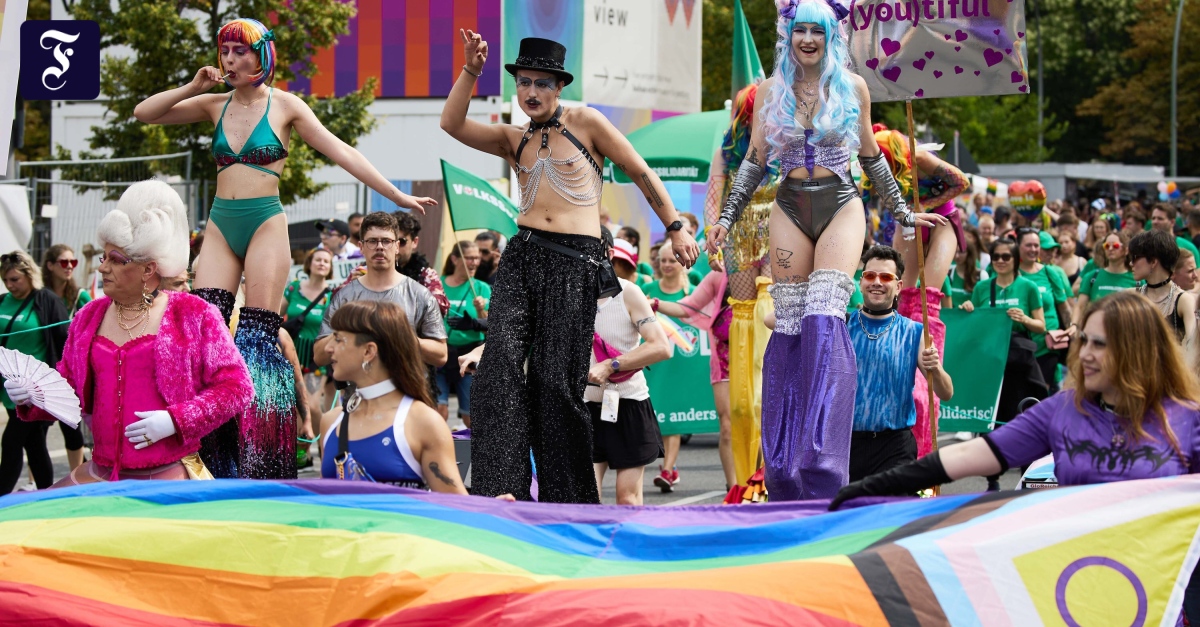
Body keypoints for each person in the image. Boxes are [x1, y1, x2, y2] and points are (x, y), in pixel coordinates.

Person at [134, 17, 435, 479]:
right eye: (225, 52)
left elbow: (343, 152)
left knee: (256, 339)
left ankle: (264, 459)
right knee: (207, 332)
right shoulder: (213, 103)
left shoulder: (286, 106)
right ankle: (209, 456)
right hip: (219, 222)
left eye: (240, 51)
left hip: (263, 223)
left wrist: (397, 197)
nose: (230, 60)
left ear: (262, 56)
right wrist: (191, 85)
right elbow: (145, 113)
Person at [440, 32, 698, 503]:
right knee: (498, 369)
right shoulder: (512, 137)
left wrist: (676, 226)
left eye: (541, 83)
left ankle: (569, 498)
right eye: (523, 83)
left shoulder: (586, 122)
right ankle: (502, 489)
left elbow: (640, 171)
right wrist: (471, 71)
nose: (531, 93)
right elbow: (452, 124)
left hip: (574, 265)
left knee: (555, 384)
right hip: (522, 257)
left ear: (559, 88)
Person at [707, 0, 944, 501]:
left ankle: (824, 457)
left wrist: (902, 214)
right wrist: (724, 220)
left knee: (824, 317)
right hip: (789, 204)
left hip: (840, 202)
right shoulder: (768, 92)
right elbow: (753, 161)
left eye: (817, 31)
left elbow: (871, 158)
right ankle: (786, 464)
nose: (808, 39)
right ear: (787, 36)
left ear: (830, 37)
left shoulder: (853, 88)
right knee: (789, 327)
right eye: (800, 31)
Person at [832, 291, 1200, 517]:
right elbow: (967, 457)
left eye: (1099, 345)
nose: (1084, 354)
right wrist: (863, 488)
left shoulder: (1188, 420)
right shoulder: (1063, 410)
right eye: (1083, 340)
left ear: (1138, 352)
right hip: (1079, 579)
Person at [4, 180, 253, 486]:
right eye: (103, 257)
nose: (102, 268)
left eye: (116, 260)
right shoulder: (88, 317)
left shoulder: (194, 315)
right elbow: (69, 386)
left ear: (148, 269)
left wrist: (175, 420)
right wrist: (33, 396)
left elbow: (236, 388)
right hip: (99, 474)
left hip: (167, 477)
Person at [318, 301, 467, 494]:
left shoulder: (423, 423)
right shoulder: (331, 421)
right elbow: (319, 502)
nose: (328, 348)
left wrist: (495, 510)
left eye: (338, 339)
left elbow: (456, 505)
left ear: (368, 351)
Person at [707, 83, 777, 488]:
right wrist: (712, 234)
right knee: (744, 313)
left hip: (781, 231)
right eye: (754, 113)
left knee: (774, 310)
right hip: (739, 235)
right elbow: (714, 199)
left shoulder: (785, 141)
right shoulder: (728, 149)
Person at [847, 246, 952, 481]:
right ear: (861, 282)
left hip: (895, 447)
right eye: (870, 276)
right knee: (850, 516)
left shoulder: (914, 332)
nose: (877, 282)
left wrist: (935, 367)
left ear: (898, 286)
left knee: (890, 514)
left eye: (885, 277)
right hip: (846, 445)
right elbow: (772, 321)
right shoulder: (841, 325)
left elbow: (946, 393)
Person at [588, 230, 672, 505]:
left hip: (628, 403)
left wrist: (611, 365)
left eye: (591, 250)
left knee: (627, 498)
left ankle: (629, 548)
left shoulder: (629, 293)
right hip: (584, 405)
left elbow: (661, 346)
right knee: (585, 497)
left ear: (609, 254)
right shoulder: (565, 296)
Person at [313, 212, 447, 370]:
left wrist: (404, 337)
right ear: (361, 247)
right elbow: (319, 356)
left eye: (386, 241)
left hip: (407, 390)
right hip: (358, 391)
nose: (380, 247)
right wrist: (348, 332)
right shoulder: (345, 296)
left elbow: (441, 355)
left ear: (396, 246)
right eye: (372, 241)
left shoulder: (420, 294)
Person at [959, 238, 1048, 435]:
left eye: (1006, 256)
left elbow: (1041, 326)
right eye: (995, 256)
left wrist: (1024, 319)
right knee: (992, 417)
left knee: (1021, 412)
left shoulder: (1028, 287)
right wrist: (968, 309)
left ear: (1015, 259)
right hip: (990, 362)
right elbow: (974, 327)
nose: (1000, 260)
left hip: (1018, 362)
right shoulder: (983, 288)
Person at [0, 251, 70, 492]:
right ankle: (46, 495)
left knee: (10, 442)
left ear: (30, 276)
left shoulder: (46, 300)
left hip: (36, 389)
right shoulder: (2, 300)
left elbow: (65, 341)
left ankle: (2, 498)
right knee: (34, 445)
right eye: (6, 280)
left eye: (15, 279)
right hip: (8, 388)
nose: (10, 285)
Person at [640, 243, 695, 492]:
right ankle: (669, 468)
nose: (666, 265)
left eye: (671, 260)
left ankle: (667, 469)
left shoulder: (692, 293)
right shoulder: (646, 291)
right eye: (662, 261)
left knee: (673, 415)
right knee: (657, 416)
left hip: (683, 366)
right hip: (654, 365)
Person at [38, 244, 90, 470]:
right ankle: (32, 482)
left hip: (72, 370)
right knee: (38, 430)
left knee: (71, 425)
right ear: (49, 266)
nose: (69, 267)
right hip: (44, 368)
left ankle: (76, 477)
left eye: (73, 262)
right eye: (63, 262)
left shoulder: (79, 296)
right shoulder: (39, 297)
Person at [437, 241, 490, 427]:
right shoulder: (438, 284)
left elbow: (491, 328)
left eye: (477, 258)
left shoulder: (482, 289)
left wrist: (481, 311)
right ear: (455, 259)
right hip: (442, 356)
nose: (474, 262)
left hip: (469, 358)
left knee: (470, 416)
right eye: (469, 257)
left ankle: (474, 455)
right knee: (439, 411)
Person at [1016, 229, 1072, 393]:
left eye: (1036, 245)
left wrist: (1072, 327)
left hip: (1047, 347)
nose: (1033, 249)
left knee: (1041, 395)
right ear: (1018, 246)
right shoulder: (1008, 273)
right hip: (1018, 348)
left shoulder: (1050, 273)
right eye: (1028, 245)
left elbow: (1064, 308)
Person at [1129, 230, 1196, 346]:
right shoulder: (1130, 296)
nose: (1131, 263)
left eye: (1135, 257)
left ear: (1153, 261)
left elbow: (1193, 345)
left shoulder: (1183, 300)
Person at [281, 248, 332, 372]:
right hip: (288, 355)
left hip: (315, 362)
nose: (322, 263)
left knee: (309, 392)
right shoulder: (294, 288)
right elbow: (276, 315)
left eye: (326, 261)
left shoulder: (333, 296)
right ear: (309, 263)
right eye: (318, 260)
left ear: (330, 268)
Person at [1073, 232, 1139, 328]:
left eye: (1115, 246)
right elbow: (1080, 306)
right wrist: (1074, 325)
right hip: (1096, 330)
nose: (1110, 249)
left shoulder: (1137, 279)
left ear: (1126, 250)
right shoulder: (1092, 276)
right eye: (1107, 246)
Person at [394, 212, 449, 317]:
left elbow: (439, 309)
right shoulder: (365, 271)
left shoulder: (426, 274)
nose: (395, 247)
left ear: (414, 242)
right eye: (389, 241)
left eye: (401, 241)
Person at [948, 225, 986, 310]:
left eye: (961, 252)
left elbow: (985, 304)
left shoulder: (981, 275)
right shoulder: (948, 273)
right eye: (955, 252)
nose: (957, 256)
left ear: (969, 253)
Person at [1054, 230, 1087, 294]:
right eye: (1060, 243)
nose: (1063, 245)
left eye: (1066, 242)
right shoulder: (1054, 262)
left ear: (1074, 243)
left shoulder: (1081, 262)